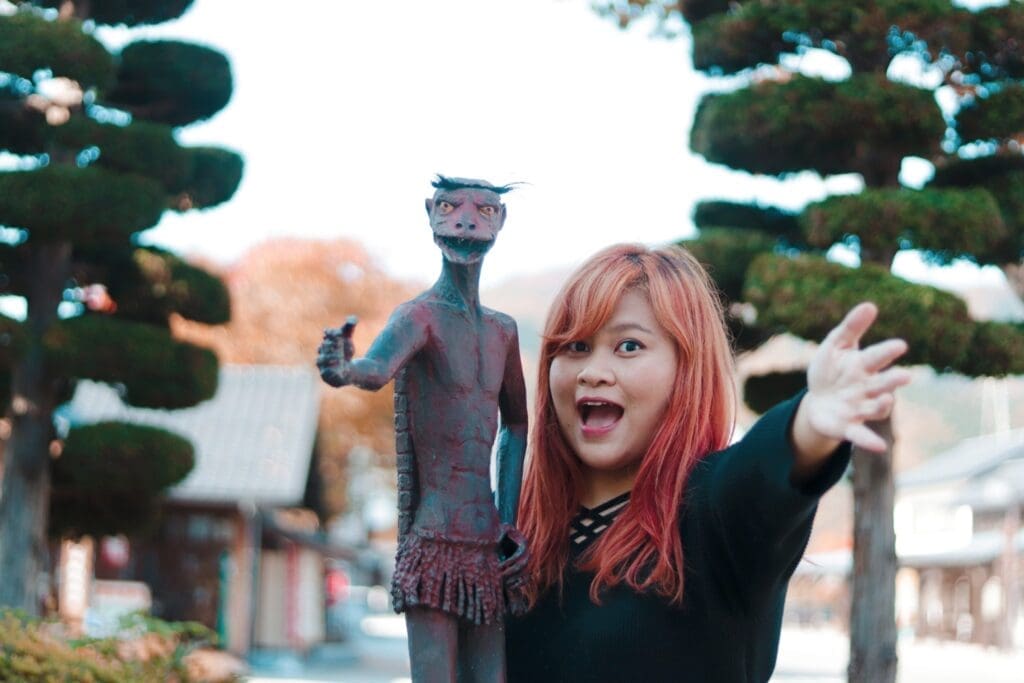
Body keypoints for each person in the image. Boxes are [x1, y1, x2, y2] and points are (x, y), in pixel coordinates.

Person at [505, 243, 911, 682]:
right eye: (576, 346)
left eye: (628, 345)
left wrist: (811, 420)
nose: (593, 371)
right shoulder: (510, 527)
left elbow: (762, 472)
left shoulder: (711, 516)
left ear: (687, 370)